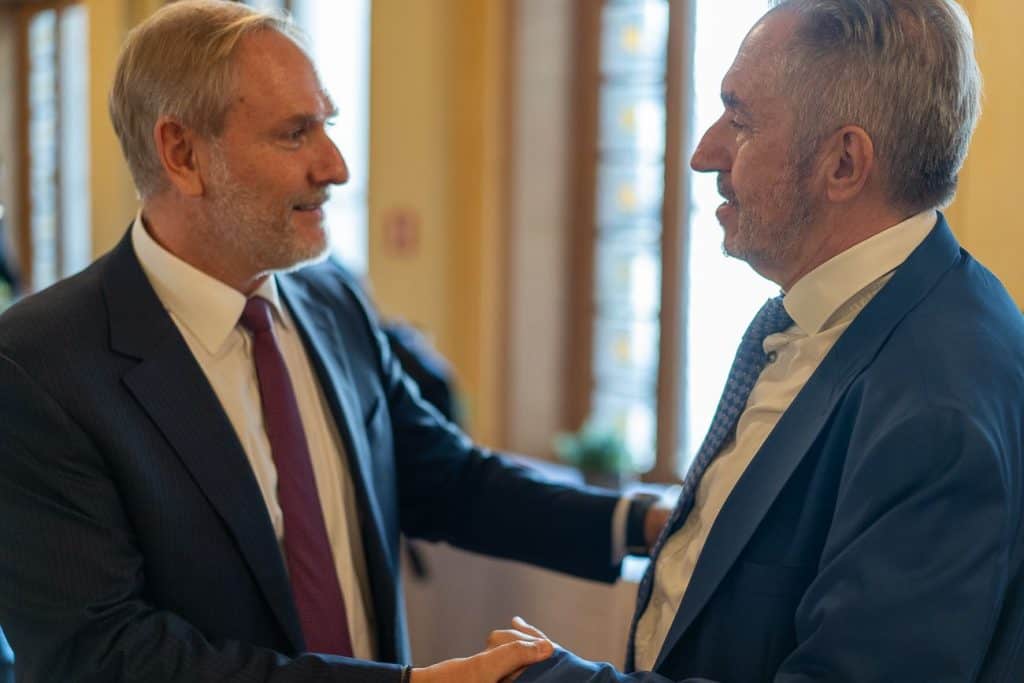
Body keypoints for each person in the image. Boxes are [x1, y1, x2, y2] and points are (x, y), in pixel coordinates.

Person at [0, 2, 668, 681]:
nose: (337, 167)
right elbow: (101, 654)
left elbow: (444, 478)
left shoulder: (332, 300)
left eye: (328, 125)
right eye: (296, 134)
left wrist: (647, 524)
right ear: (183, 154)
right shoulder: (38, 365)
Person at [488, 1, 1024, 680]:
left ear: (843, 163)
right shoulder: (831, 316)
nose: (702, 154)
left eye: (739, 122)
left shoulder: (938, 406)